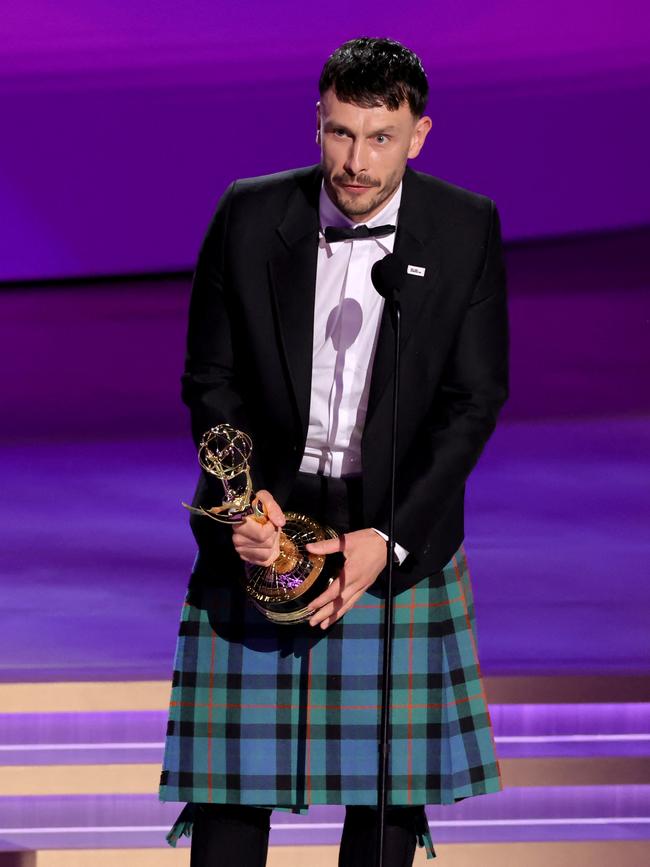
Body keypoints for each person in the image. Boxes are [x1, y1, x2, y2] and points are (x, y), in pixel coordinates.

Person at [160, 37, 508, 866]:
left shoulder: (464, 229)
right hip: (264, 529)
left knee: (385, 812)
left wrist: (385, 540)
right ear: (317, 121)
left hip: (393, 536)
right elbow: (211, 381)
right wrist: (244, 505)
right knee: (231, 808)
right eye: (339, 133)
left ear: (419, 134)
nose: (355, 160)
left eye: (379, 137)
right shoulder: (247, 215)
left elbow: (472, 402)